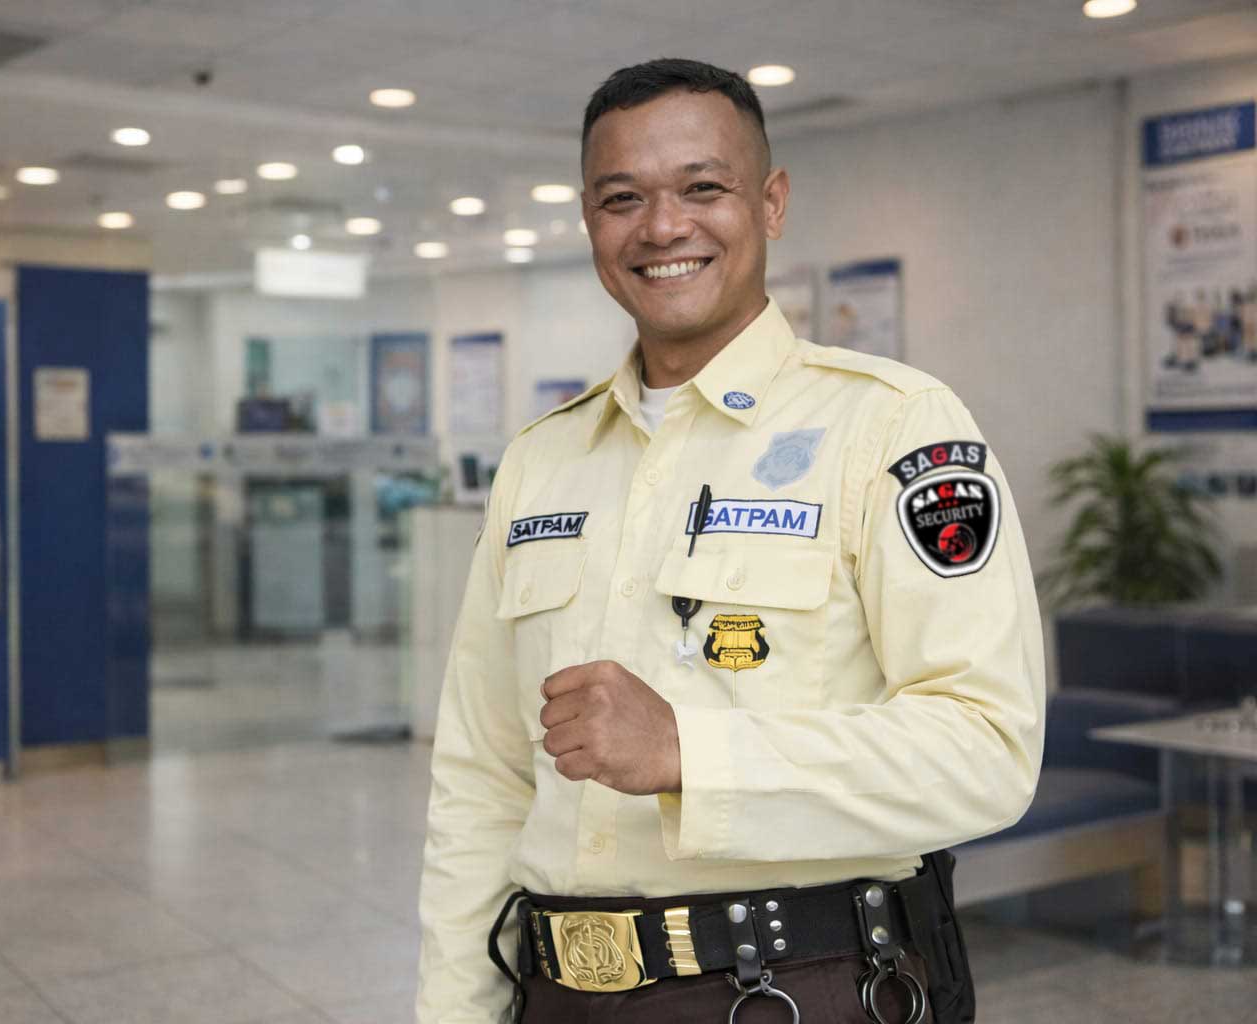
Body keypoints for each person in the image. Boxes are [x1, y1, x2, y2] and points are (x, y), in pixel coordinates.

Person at [417, 58, 1044, 1024]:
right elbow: (482, 777)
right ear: (590, 220)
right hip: (555, 993)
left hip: (799, 987)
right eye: (623, 198)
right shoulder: (541, 461)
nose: (663, 227)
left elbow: (987, 749)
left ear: (772, 202)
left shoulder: (892, 428)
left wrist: (689, 751)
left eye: (702, 188)